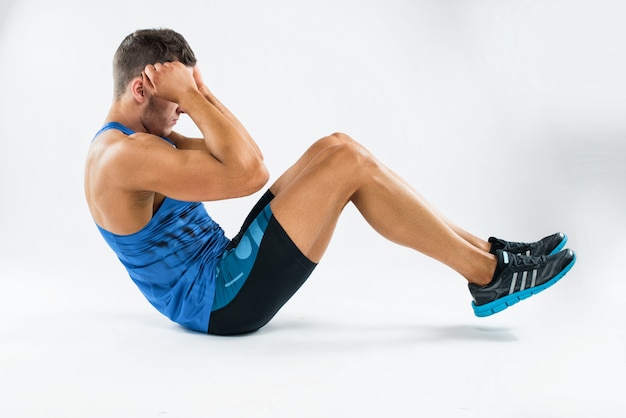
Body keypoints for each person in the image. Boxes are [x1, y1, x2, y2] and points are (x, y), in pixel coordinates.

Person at [84, 28, 576, 335]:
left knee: (338, 147)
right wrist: (193, 100)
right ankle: (488, 275)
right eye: (173, 101)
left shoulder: (146, 140)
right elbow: (250, 175)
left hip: (226, 268)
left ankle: (491, 255)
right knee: (348, 166)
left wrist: (198, 94)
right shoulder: (122, 159)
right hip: (220, 303)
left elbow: (246, 158)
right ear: (141, 88)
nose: (179, 114)